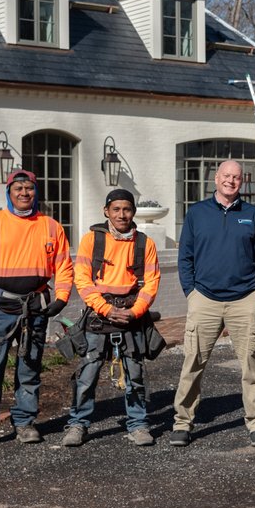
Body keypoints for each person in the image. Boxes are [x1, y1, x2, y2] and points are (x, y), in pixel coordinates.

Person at [0, 170, 73, 453]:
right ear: (9, 192)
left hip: (34, 309)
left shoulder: (51, 226)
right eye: (18, 188)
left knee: (30, 368)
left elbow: (63, 265)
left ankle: (24, 422)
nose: (24, 193)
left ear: (36, 192)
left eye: (29, 188)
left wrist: (61, 298)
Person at [171, 160, 255, 447]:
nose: (231, 181)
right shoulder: (197, 213)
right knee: (192, 363)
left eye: (237, 177)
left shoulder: (253, 215)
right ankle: (182, 422)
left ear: (243, 181)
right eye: (226, 176)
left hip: (244, 300)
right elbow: (185, 257)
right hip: (204, 299)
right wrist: (191, 292)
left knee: (251, 365)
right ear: (216, 179)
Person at [62, 189, 161, 448]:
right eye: (116, 209)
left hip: (132, 316)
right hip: (98, 316)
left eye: (127, 209)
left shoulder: (145, 244)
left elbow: (151, 283)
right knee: (88, 373)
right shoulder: (91, 241)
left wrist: (135, 311)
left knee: (135, 373)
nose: (121, 214)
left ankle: (138, 425)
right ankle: (77, 424)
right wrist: (105, 308)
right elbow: (82, 280)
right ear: (106, 211)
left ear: (133, 212)